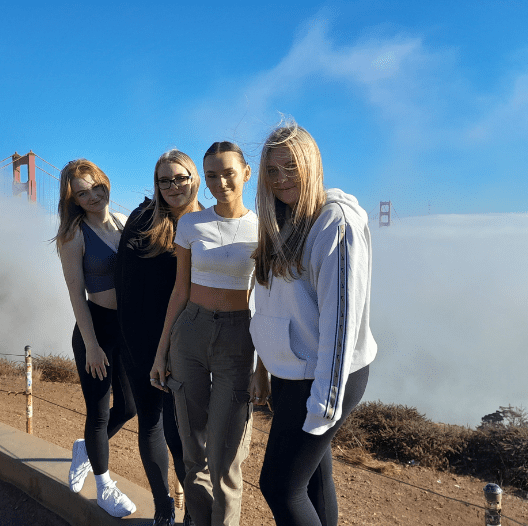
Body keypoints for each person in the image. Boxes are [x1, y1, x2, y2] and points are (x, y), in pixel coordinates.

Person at [249, 123, 377, 526]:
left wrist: (325, 403)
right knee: (315, 482)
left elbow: (341, 325)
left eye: (291, 166)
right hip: (294, 371)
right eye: (272, 170)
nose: (282, 178)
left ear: (312, 163)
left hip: (323, 375)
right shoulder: (282, 219)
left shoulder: (335, 224)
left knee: (280, 486)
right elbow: (275, 305)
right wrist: (266, 370)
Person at [150, 142, 266, 526]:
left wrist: (262, 367)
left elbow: (267, 302)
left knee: (226, 460)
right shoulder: (190, 224)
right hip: (191, 332)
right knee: (192, 454)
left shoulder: (264, 228)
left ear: (246, 173)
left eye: (228, 173)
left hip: (239, 337)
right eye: (211, 175)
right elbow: (180, 291)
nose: (220, 182)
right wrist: (161, 350)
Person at [115, 150, 202, 526]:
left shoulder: (209, 221)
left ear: (194, 177)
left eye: (180, 178)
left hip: (185, 344)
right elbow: (124, 281)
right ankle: (164, 505)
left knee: (180, 432)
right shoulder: (144, 218)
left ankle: (196, 509)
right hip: (139, 340)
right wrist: (135, 347)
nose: (172, 187)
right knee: (149, 422)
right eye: (164, 180)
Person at [53, 159, 138, 518]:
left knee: (130, 407)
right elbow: (76, 294)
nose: (92, 196)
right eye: (82, 193)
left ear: (105, 182)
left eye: (95, 187)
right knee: (99, 412)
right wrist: (91, 345)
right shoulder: (73, 235)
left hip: (129, 329)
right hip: (96, 329)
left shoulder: (123, 223)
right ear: (73, 200)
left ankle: (84, 449)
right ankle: (104, 487)